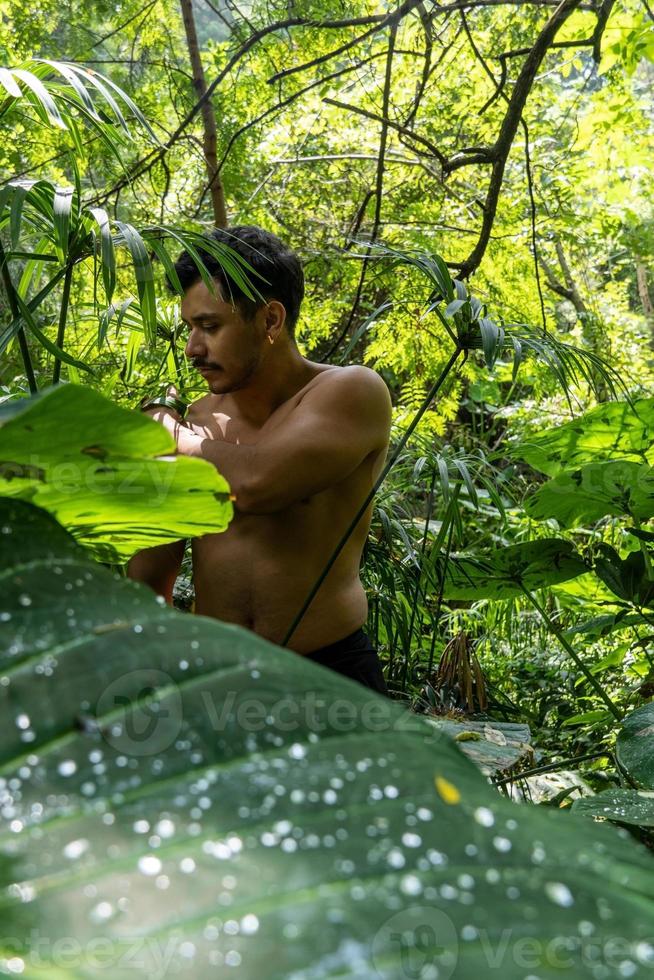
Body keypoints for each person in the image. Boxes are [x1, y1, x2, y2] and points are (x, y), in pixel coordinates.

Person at [128, 226, 392, 694]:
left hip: (327, 675)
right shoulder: (198, 421)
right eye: (190, 328)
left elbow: (256, 483)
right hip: (215, 676)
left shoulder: (351, 391)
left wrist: (164, 431)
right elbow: (153, 566)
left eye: (209, 327)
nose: (192, 348)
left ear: (270, 320)